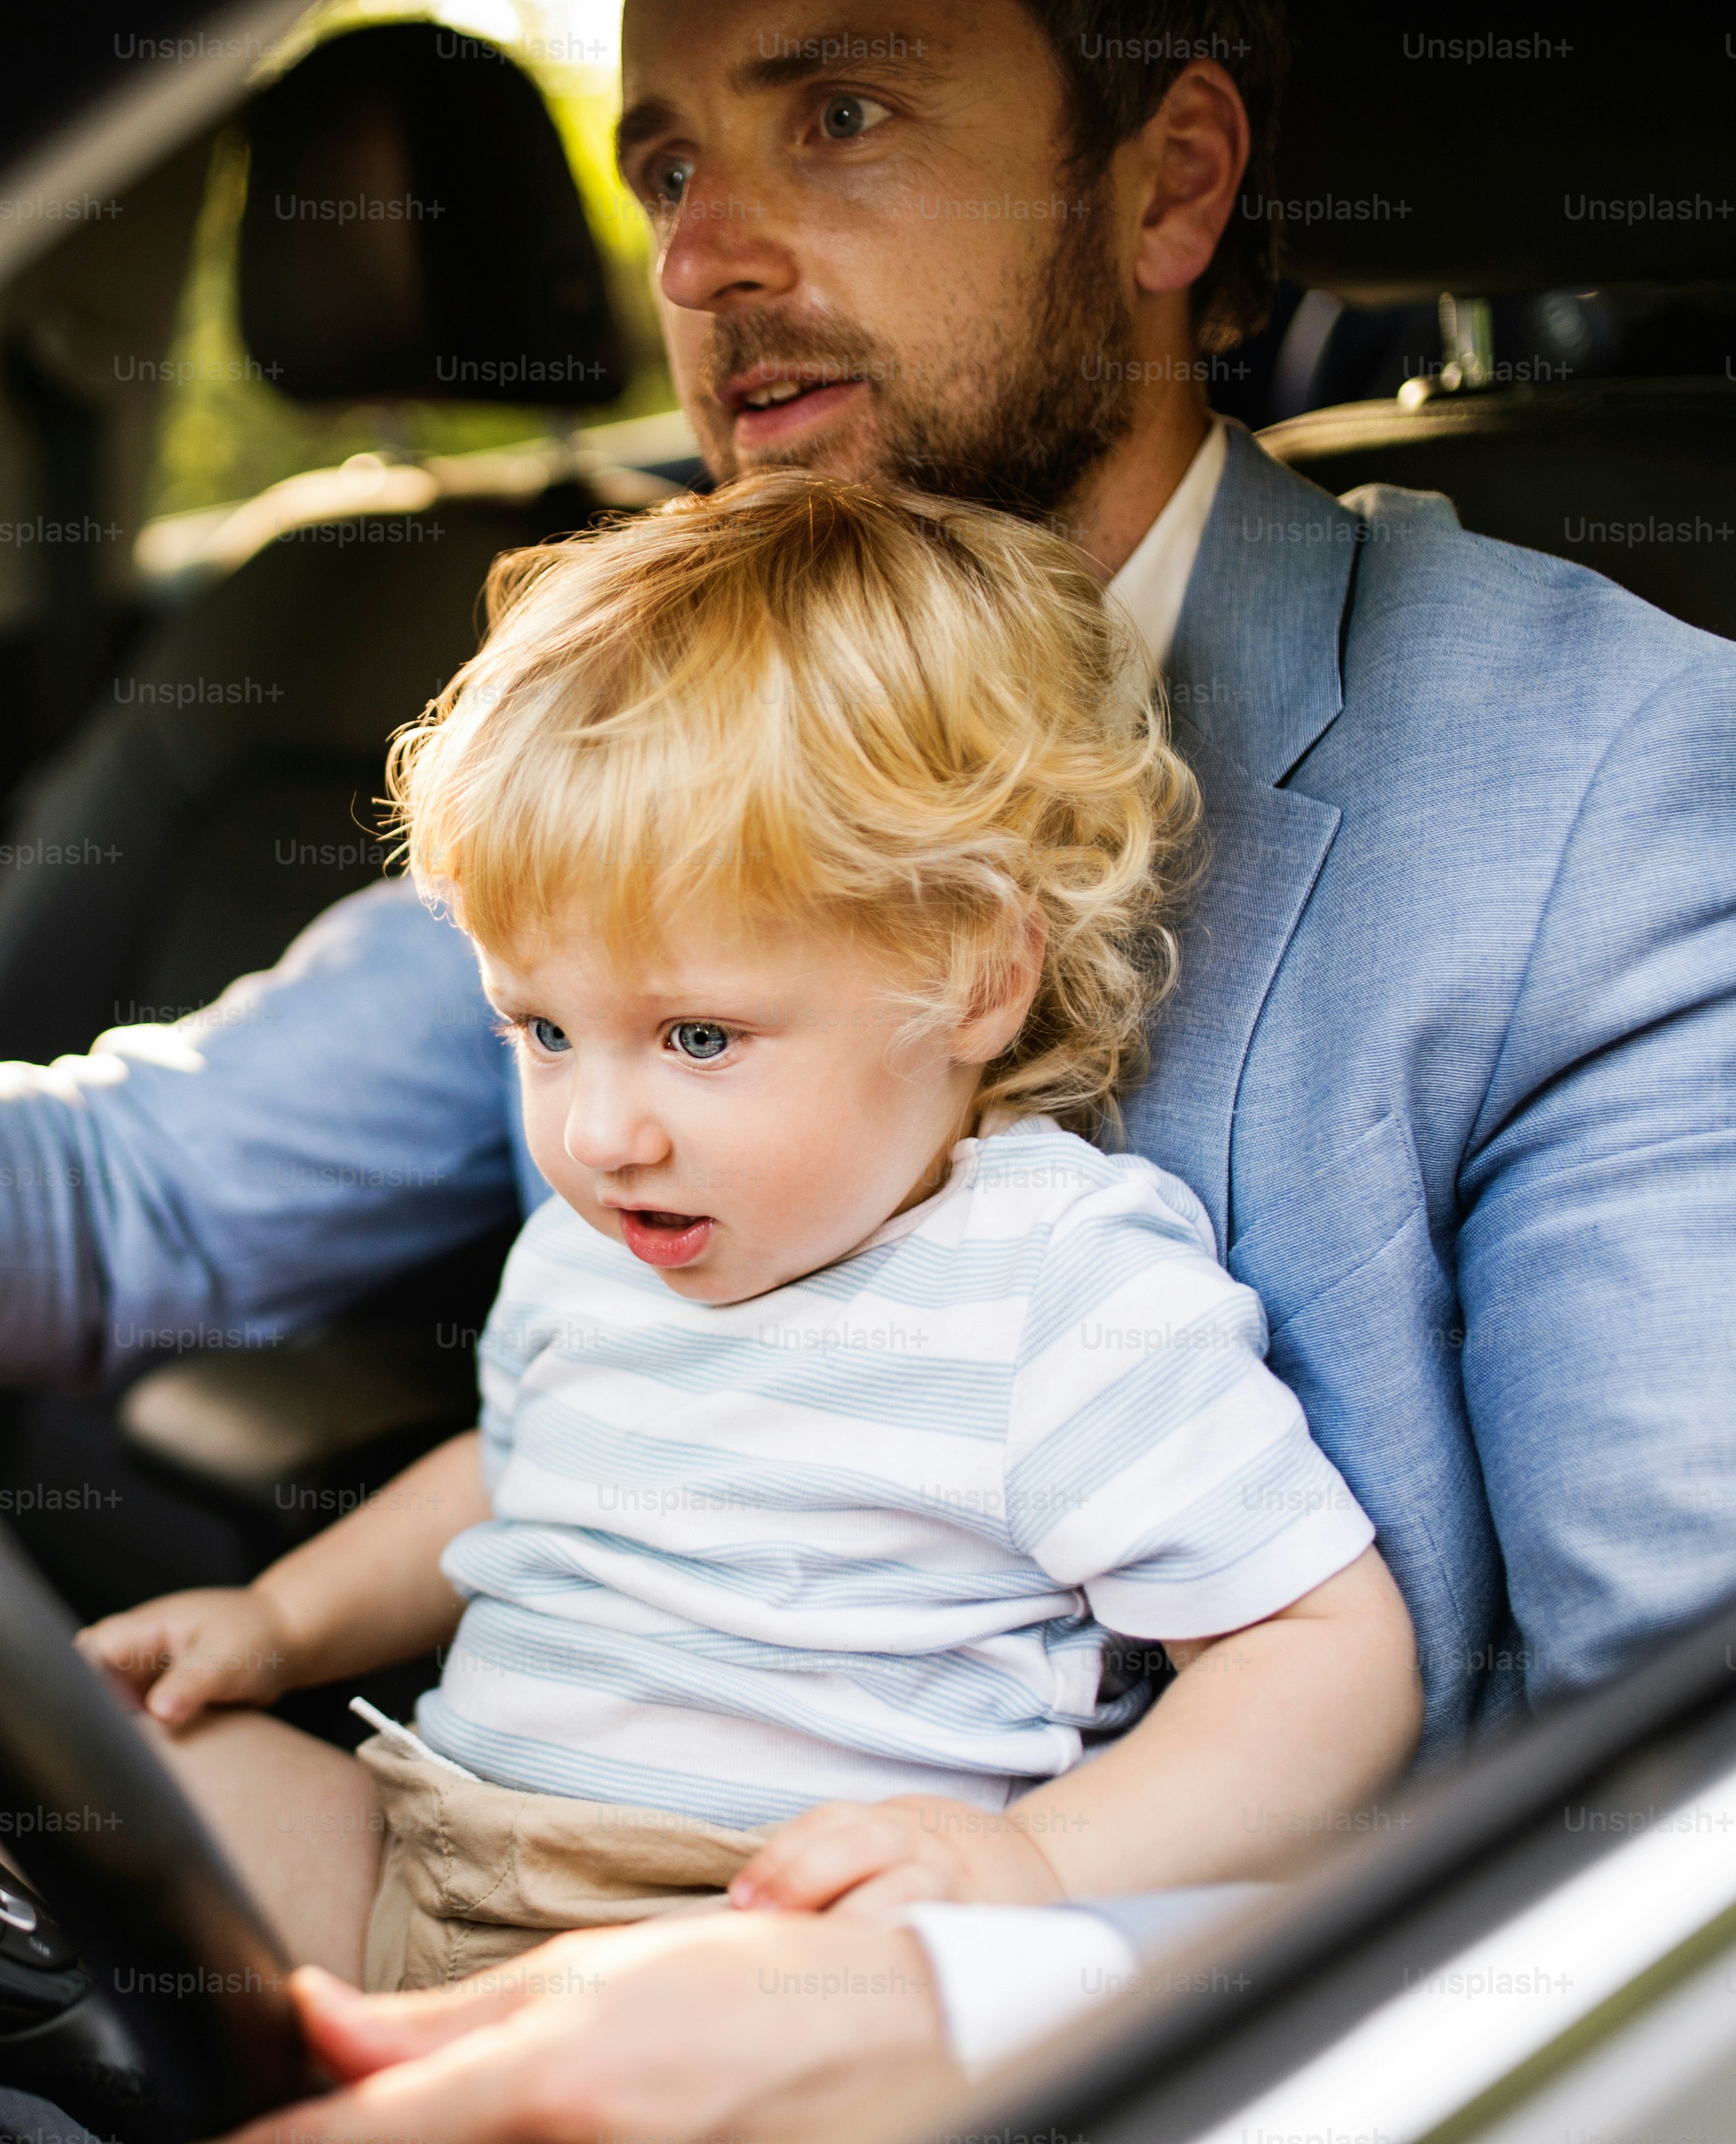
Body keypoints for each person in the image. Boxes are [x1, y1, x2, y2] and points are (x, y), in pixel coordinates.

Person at [0, 0, 1736, 2131]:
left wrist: (967, 1992)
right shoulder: (674, 714)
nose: (704, 258)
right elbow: (133, 1191)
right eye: (660, 159)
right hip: (478, 1874)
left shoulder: (1598, 765)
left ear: (1169, 175)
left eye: (831, 116)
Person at [79, 469, 1419, 1988]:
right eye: (541, 1028)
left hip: (741, 1942)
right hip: (429, 1848)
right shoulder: (603, 1241)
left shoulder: (1056, 1287)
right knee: (78, 1779)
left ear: (978, 975)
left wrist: (1041, 1863)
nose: (599, 1130)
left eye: (699, 1038)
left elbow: (1316, 1650)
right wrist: (277, 1622)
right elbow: (511, 1471)